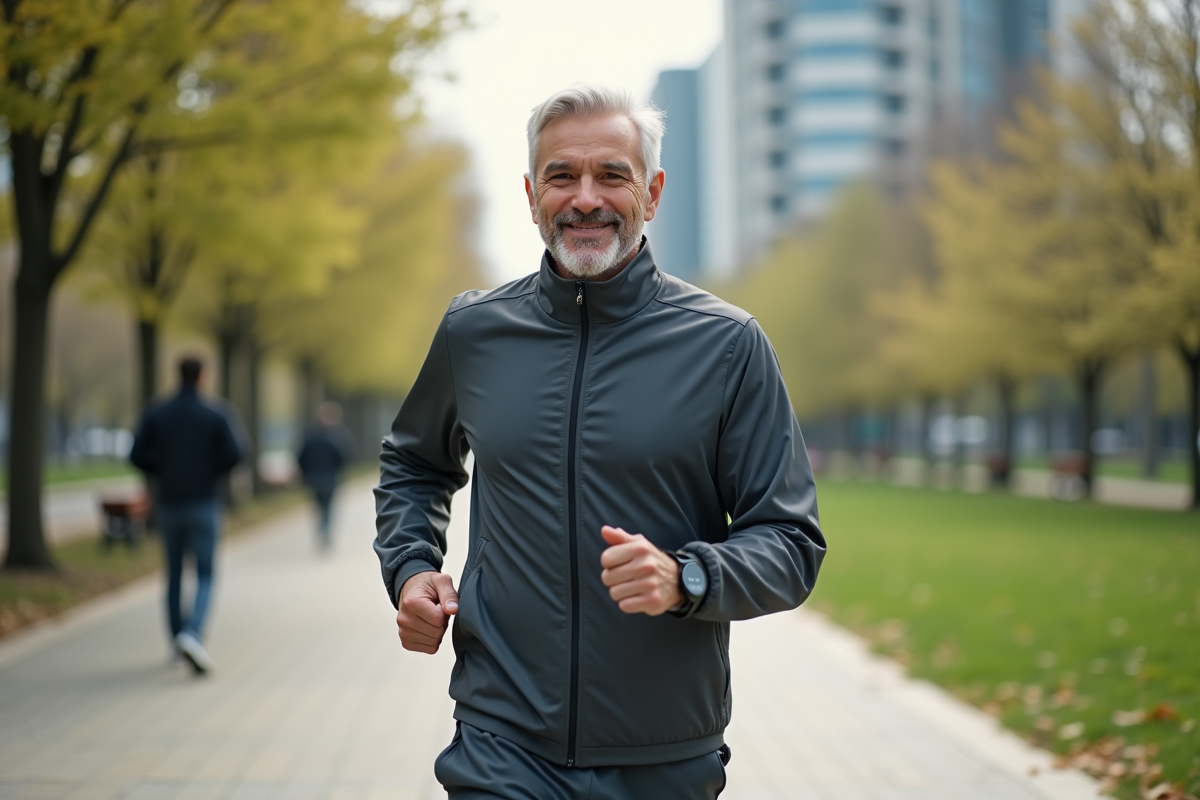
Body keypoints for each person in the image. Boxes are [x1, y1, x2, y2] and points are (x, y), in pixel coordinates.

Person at [374, 84, 826, 799]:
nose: (585, 199)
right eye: (562, 176)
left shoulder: (728, 345)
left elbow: (792, 542)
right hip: (500, 741)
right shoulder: (473, 332)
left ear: (653, 193)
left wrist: (688, 577)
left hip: (664, 755)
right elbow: (414, 464)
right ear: (532, 195)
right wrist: (410, 569)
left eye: (612, 174)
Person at [130, 356, 244, 675]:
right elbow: (236, 453)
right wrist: (211, 470)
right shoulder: (217, 413)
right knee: (205, 573)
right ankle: (192, 634)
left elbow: (136, 454)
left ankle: (176, 641)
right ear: (202, 376)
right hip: (203, 502)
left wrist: (162, 470)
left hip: (168, 503)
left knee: (174, 575)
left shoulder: (157, 412)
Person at [297, 401, 354, 550]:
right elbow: (344, 456)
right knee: (327, 506)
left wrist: (304, 472)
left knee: (320, 505)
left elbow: (301, 456)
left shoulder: (309, 434)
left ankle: (322, 529)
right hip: (329, 476)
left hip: (315, 477)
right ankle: (325, 530)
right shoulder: (337, 435)